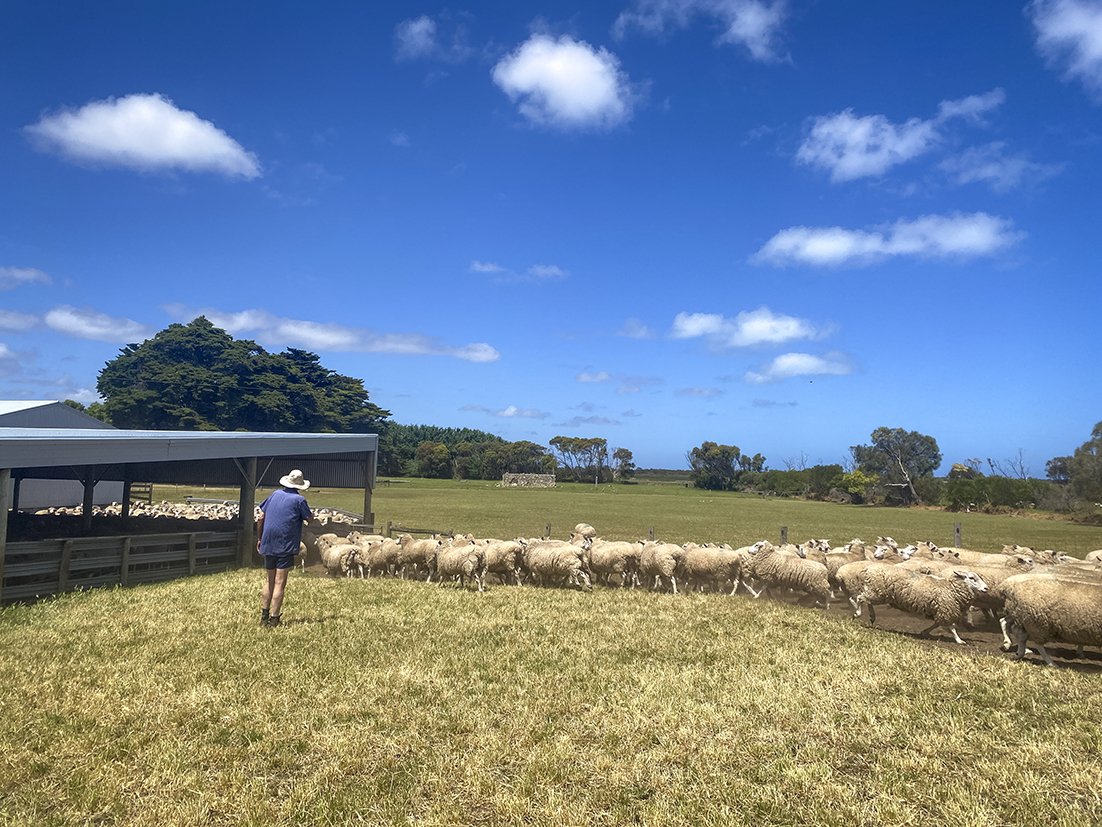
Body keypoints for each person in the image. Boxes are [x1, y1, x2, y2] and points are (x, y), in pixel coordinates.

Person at [256, 469, 313, 627]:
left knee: (269, 580)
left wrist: (260, 538)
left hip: (268, 542)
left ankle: (264, 616)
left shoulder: (274, 495)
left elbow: (261, 517)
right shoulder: (299, 500)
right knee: (280, 582)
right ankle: (274, 619)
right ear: (300, 486)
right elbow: (310, 518)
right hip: (285, 544)